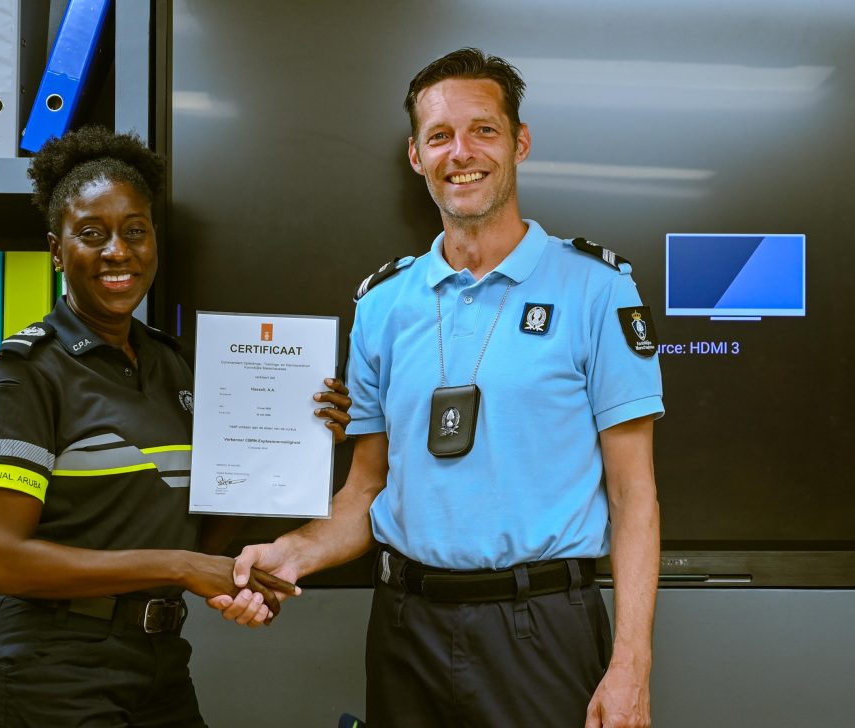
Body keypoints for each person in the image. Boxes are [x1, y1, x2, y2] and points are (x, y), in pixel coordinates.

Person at [210, 48, 664, 728]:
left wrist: (631, 664)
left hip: (542, 628)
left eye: (484, 130)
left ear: (520, 142)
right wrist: (291, 554)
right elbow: (365, 491)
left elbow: (634, 496)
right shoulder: (382, 304)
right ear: (417, 156)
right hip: (405, 628)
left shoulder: (597, 290)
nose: (462, 153)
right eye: (440, 136)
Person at [0, 125, 351, 727]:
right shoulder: (26, 375)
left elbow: (203, 534)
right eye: (92, 234)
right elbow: (1, 562)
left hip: (158, 658)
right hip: (46, 667)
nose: (118, 251)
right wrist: (182, 567)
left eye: (135, 231)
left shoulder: (179, 366)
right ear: (57, 251)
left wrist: (298, 441)